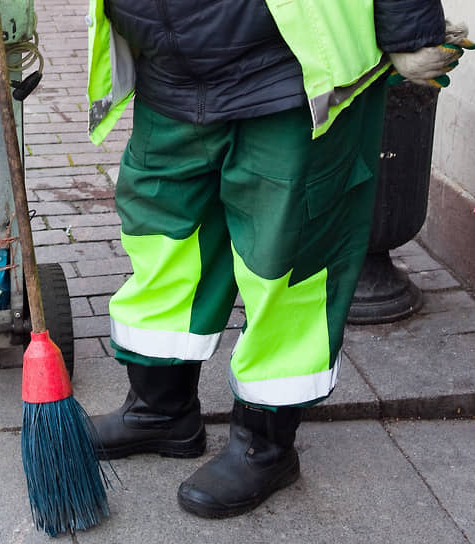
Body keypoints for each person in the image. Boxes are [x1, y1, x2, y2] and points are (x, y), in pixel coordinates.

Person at [85, 0, 472, 519]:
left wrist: (410, 28)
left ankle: (264, 445)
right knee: (165, 244)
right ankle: (161, 410)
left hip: (290, 72)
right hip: (169, 65)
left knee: (286, 262)